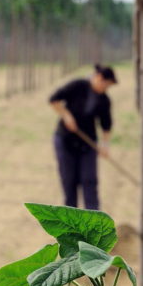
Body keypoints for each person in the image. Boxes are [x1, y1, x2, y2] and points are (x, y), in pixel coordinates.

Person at [49, 64, 117, 210]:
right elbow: (53, 99)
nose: (106, 88)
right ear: (98, 78)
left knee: (89, 180)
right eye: (106, 84)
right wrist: (66, 116)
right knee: (69, 182)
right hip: (66, 141)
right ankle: (71, 219)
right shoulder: (78, 85)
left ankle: (93, 218)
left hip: (88, 144)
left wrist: (105, 145)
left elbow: (106, 125)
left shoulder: (104, 100)